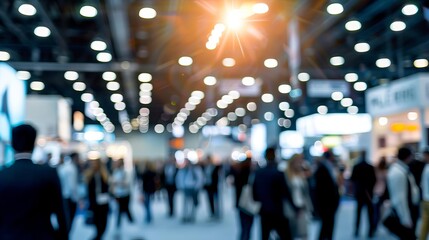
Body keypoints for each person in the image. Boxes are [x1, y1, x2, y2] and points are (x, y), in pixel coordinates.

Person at [0, 124, 68, 239]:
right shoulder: (48, 173)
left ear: (12, 144)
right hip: (42, 236)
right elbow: (60, 212)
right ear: (34, 143)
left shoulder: (2, 175)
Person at [252, 147, 295, 240]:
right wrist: (294, 206)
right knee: (286, 236)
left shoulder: (259, 172)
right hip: (277, 210)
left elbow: (254, 192)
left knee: (265, 235)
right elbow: (286, 192)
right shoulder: (278, 173)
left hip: (264, 210)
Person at [386, 147, 420, 239]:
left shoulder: (403, 169)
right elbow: (399, 198)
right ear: (408, 157)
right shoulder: (398, 172)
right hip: (405, 211)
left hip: (409, 209)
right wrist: (405, 218)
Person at [285, 153, 312, 240]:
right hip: (290, 207)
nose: (299, 163)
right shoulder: (286, 175)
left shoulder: (301, 175)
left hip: (302, 206)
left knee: (304, 232)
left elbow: (306, 193)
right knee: (291, 232)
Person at [314, 150, 340, 240]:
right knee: (326, 225)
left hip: (331, 203)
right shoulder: (321, 169)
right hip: (326, 203)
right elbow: (320, 189)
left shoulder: (330, 167)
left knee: (328, 226)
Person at [350, 151, 376, 238]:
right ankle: (370, 231)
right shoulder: (370, 167)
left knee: (359, 213)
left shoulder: (356, 166)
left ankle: (357, 230)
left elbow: (352, 179)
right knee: (369, 213)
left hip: (360, 193)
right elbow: (374, 180)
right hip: (368, 193)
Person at [85, 158, 110, 240]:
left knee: (104, 223)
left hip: (104, 202)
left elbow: (107, 188)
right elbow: (89, 191)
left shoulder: (104, 175)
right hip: (95, 203)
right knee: (97, 223)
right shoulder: (90, 175)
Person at [230, 156, 254, 240]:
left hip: (240, 203)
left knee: (243, 226)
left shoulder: (238, 173)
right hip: (249, 203)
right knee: (248, 227)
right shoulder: (250, 174)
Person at [57, 152, 79, 233]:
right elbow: (72, 186)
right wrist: (76, 199)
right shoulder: (71, 169)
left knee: (65, 220)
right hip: (69, 198)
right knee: (68, 220)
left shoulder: (64, 168)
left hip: (64, 196)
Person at [111, 159, 133, 227]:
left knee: (126, 209)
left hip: (125, 194)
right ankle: (119, 224)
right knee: (119, 209)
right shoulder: (115, 172)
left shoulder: (125, 172)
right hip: (118, 194)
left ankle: (131, 222)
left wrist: (119, 183)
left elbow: (127, 183)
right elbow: (113, 182)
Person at [373, 156, 389, 230]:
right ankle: (377, 223)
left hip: (379, 192)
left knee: (378, 209)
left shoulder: (378, 171)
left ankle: (377, 223)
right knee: (378, 209)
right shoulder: (382, 171)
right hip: (379, 192)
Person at [203, 155, 221, 219]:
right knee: (210, 200)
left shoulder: (215, 167)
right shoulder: (205, 167)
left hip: (214, 186)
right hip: (208, 186)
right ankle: (212, 212)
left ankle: (217, 213)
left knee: (216, 200)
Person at [420, 148, 429, 240]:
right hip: (427, 200)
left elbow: (422, 184)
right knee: (425, 224)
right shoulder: (427, 167)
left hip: (425, 199)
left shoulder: (426, 167)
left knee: (425, 225)